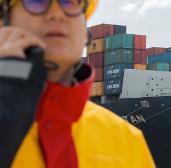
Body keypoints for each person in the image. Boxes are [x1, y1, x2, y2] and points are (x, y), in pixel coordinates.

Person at [0, 0, 156, 167]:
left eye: (70, 3)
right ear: (4, 22)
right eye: (36, 1)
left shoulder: (128, 140)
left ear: (85, 34)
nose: (57, 14)